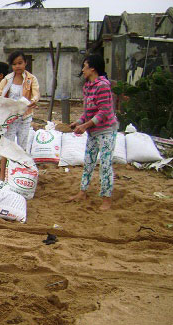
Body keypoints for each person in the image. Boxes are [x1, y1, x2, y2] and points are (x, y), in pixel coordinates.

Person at [68, 54, 118, 211]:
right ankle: (82, 192)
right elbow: (89, 111)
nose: (82, 70)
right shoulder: (88, 87)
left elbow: (104, 111)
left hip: (106, 131)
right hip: (93, 131)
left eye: (85, 66)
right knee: (88, 162)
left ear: (93, 68)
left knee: (105, 165)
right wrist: (79, 122)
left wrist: (85, 125)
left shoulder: (102, 86)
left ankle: (106, 199)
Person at [0, 50, 40, 180]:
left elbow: (36, 94)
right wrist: (1, 102)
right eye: (14, 64)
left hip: (25, 116)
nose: (17, 66)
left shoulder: (31, 79)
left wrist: (33, 101)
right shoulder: (7, 79)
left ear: (25, 63)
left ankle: (20, 176)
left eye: (20, 63)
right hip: (10, 118)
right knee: (6, 145)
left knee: (22, 146)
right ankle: (3, 176)